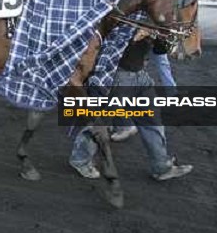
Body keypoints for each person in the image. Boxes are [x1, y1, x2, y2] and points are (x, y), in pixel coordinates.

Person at [69, 29, 193, 181]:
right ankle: (80, 160)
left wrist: (161, 36)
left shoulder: (155, 20)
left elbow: (159, 50)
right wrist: (139, 34)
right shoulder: (125, 17)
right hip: (118, 76)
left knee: (152, 121)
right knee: (101, 122)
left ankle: (161, 167)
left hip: (140, 75)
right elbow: (112, 43)